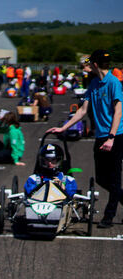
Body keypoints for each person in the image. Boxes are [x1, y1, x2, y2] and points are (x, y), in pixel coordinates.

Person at [49, 49, 122, 227]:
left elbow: (118, 111)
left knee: (114, 178)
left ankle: (109, 216)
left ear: (95, 64)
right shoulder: (94, 83)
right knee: (101, 178)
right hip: (100, 136)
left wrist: (111, 137)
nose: (87, 66)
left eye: (90, 63)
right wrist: (63, 127)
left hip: (116, 136)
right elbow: (82, 110)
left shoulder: (113, 83)